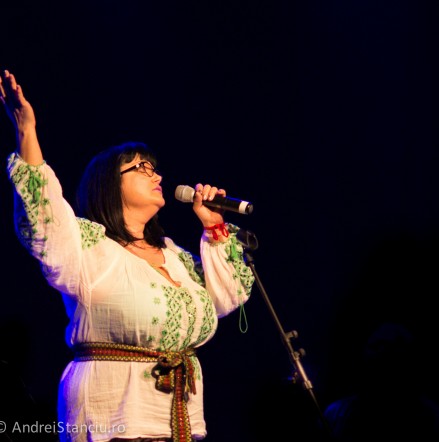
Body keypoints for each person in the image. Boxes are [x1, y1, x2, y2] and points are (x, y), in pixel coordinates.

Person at [0, 69, 255, 442]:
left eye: (155, 169)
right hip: (114, 418)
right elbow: (45, 220)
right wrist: (27, 130)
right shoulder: (91, 248)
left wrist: (214, 227)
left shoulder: (174, 257)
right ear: (109, 184)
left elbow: (228, 294)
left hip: (179, 422)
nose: (157, 176)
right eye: (141, 168)